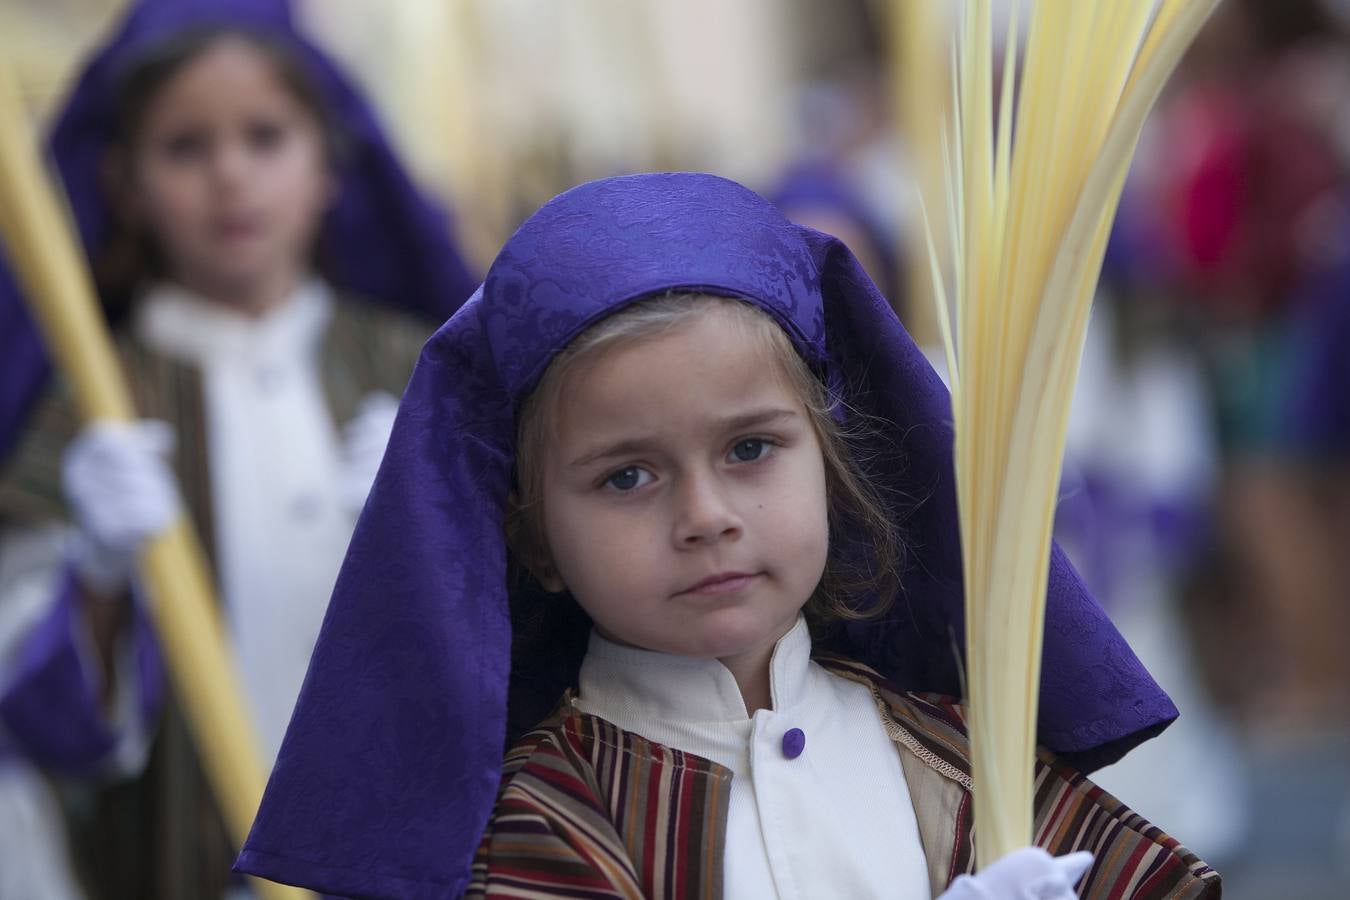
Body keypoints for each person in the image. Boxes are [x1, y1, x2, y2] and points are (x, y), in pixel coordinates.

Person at [237, 173, 1220, 899]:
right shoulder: (543, 819)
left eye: (750, 448)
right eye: (627, 475)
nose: (705, 515)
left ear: (830, 468)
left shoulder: (967, 763)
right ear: (533, 537)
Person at [0, 0, 477, 896]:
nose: (230, 176)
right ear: (126, 186)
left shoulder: (415, 369)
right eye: (185, 147)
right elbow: (39, 719)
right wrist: (96, 577)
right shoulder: (91, 399)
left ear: (328, 166)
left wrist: (450, 520)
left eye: (265, 137)